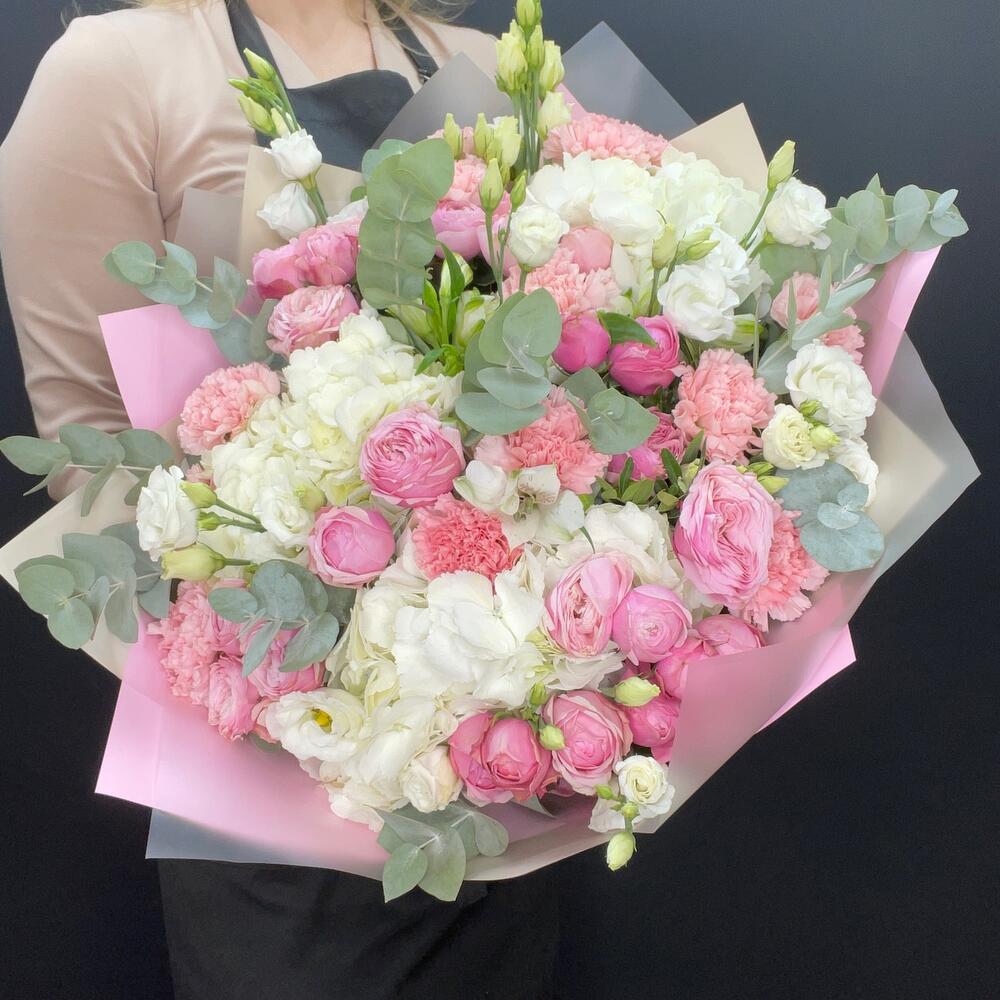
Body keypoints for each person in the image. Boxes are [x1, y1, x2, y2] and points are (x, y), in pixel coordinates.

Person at [0, 2, 560, 998]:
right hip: (279, 780)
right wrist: (332, 616)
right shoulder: (117, 72)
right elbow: (90, 449)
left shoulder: (487, 69)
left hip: (499, 769)